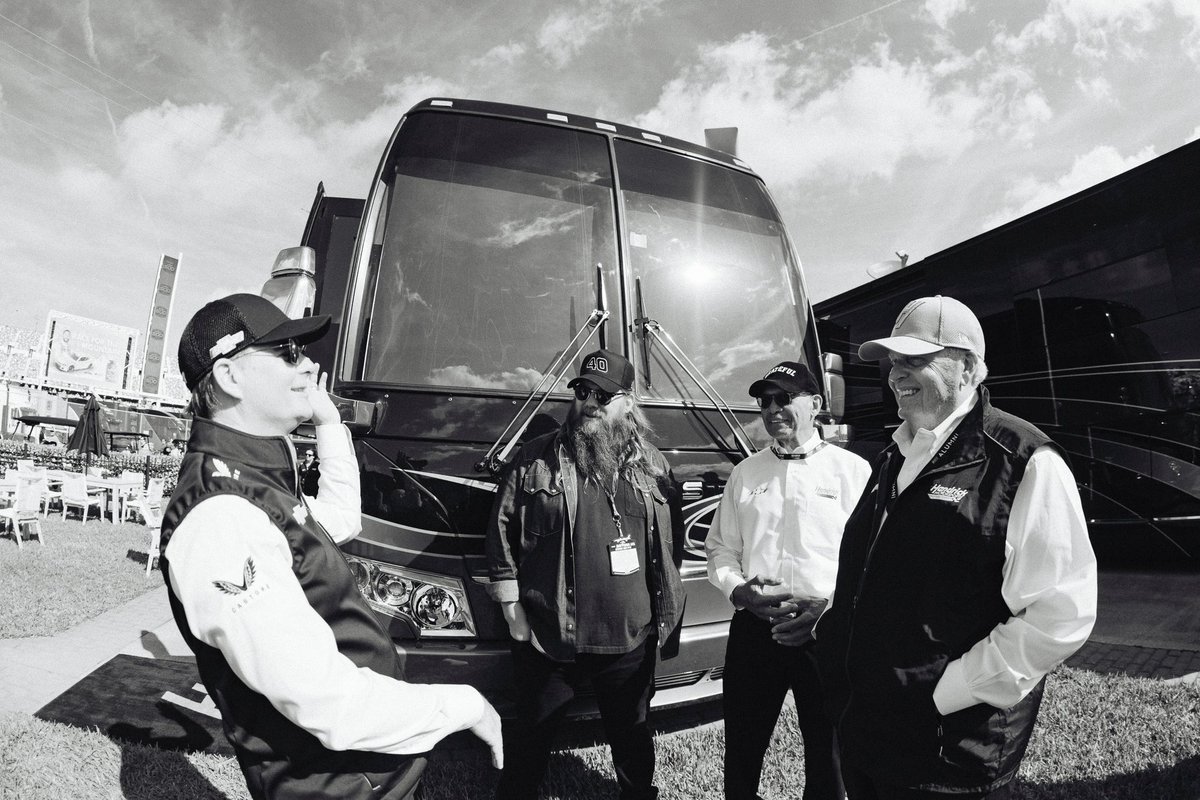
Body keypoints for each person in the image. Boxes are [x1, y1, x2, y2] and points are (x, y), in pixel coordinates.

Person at [160, 293, 502, 800]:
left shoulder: (254, 478)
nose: (309, 363)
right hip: (337, 786)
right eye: (288, 352)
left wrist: (326, 423)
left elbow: (337, 518)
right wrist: (466, 706)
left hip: (363, 777)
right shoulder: (221, 516)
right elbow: (324, 701)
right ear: (230, 377)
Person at [814, 295, 1097, 799]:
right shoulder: (892, 457)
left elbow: (1060, 616)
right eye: (892, 362)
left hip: (950, 760)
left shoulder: (1022, 461)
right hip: (870, 739)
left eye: (914, 360)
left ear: (966, 369)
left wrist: (945, 692)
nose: (895, 375)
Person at [485, 348, 685, 800]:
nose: (590, 402)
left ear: (628, 403)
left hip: (630, 638)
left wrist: (659, 617)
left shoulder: (653, 464)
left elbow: (667, 546)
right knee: (530, 740)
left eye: (604, 395)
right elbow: (500, 530)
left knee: (633, 739)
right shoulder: (536, 458)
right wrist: (514, 613)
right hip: (549, 634)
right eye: (583, 391)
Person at [707, 361, 870, 800]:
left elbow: (870, 558)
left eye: (784, 398)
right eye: (765, 401)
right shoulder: (747, 472)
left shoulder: (853, 472)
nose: (772, 408)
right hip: (756, 629)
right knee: (742, 744)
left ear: (816, 404)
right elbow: (721, 548)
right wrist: (738, 590)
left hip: (826, 631)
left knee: (828, 750)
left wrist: (829, 605)